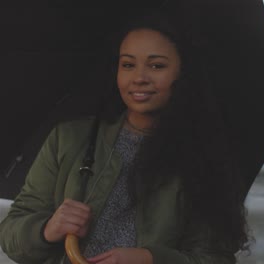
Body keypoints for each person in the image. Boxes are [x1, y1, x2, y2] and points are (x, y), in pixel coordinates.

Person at [0, 13, 250, 264]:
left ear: (183, 74)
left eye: (156, 66)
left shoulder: (202, 157)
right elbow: (12, 235)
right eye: (128, 64)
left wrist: (150, 259)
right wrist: (47, 229)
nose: (139, 78)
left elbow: (215, 258)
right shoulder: (68, 139)